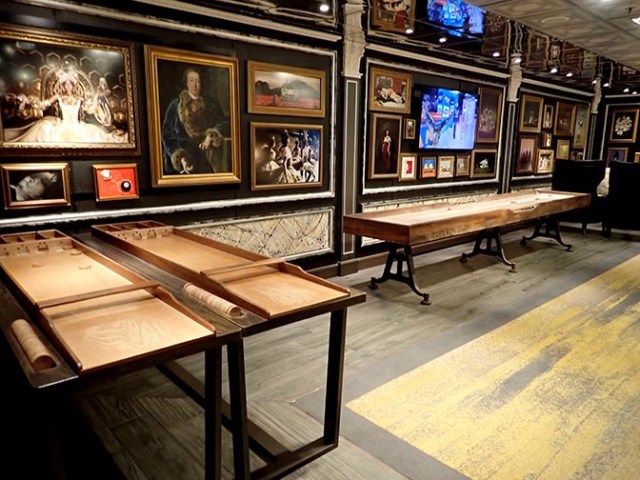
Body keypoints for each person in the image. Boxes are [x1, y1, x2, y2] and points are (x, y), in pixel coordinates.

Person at [3, 72, 127, 144]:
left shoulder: (79, 98)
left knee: (98, 134)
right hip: (61, 125)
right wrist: (27, 100)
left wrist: (98, 95)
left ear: (73, 86)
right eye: (65, 84)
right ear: (63, 85)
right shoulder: (58, 97)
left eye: (70, 84)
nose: (68, 86)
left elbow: (90, 107)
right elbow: (43, 104)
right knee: (42, 127)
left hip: (77, 126)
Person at [161, 67, 229, 175]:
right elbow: (167, 134)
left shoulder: (210, 105)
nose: (195, 85)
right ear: (187, 83)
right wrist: (180, 157)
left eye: (197, 81)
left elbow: (223, 123)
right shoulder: (175, 105)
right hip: (183, 158)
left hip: (204, 155)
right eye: (191, 81)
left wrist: (210, 136)